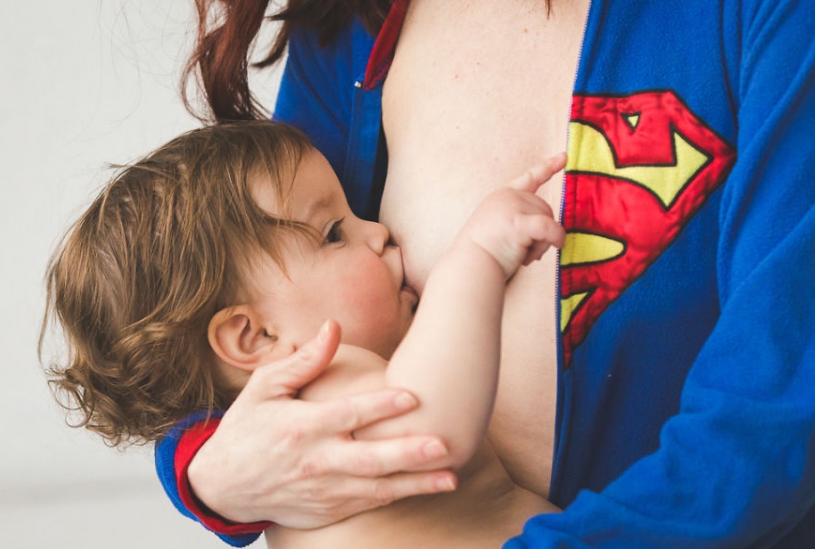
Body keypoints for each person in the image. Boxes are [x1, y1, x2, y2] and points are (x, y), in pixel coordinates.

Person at [156, 0, 815, 547]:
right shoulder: (353, 24)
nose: (378, 236)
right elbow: (206, 315)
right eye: (339, 233)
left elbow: (773, 414)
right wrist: (207, 472)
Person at [43, 119, 565, 548]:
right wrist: (476, 257)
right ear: (254, 336)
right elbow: (432, 436)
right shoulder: (320, 385)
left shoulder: (270, 427)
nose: (378, 231)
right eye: (334, 233)